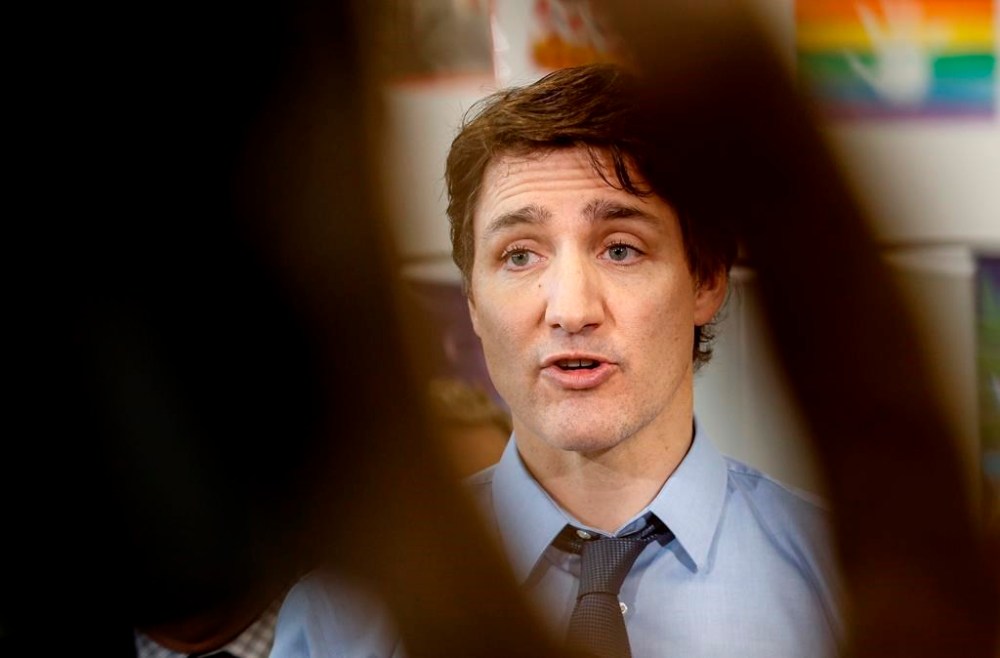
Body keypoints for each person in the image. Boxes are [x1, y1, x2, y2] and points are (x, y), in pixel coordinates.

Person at [272, 62, 844, 657]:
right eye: (520, 256)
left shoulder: (843, 576)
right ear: (471, 299)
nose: (571, 309)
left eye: (621, 249)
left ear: (705, 279)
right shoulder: (345, 613)